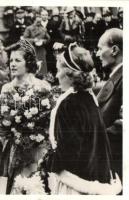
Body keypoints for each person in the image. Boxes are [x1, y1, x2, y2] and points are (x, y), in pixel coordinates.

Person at [47, 42, 121, 195]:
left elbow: (68, 153)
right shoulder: (88, 97)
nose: (56, 75)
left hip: (76, 184)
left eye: (58, 70)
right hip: (96, 178)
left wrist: (49, 162)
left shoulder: (69, 103)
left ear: (69, 74)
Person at [0, 39, 51, 194]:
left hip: (38, 147)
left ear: (28, 62)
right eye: (11, 61)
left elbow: (49, 120)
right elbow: (1, 120)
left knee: (37, 185)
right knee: (17, 187)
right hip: (16, 146)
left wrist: (37, 135)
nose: (12, 64)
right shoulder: (6, 88)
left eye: (17, 60)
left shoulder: (42, 86)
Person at [96, 28, 123, 182]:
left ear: (114, 50)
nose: (97, 54)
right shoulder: (117, 76)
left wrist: (93, 135)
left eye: (100, 49)